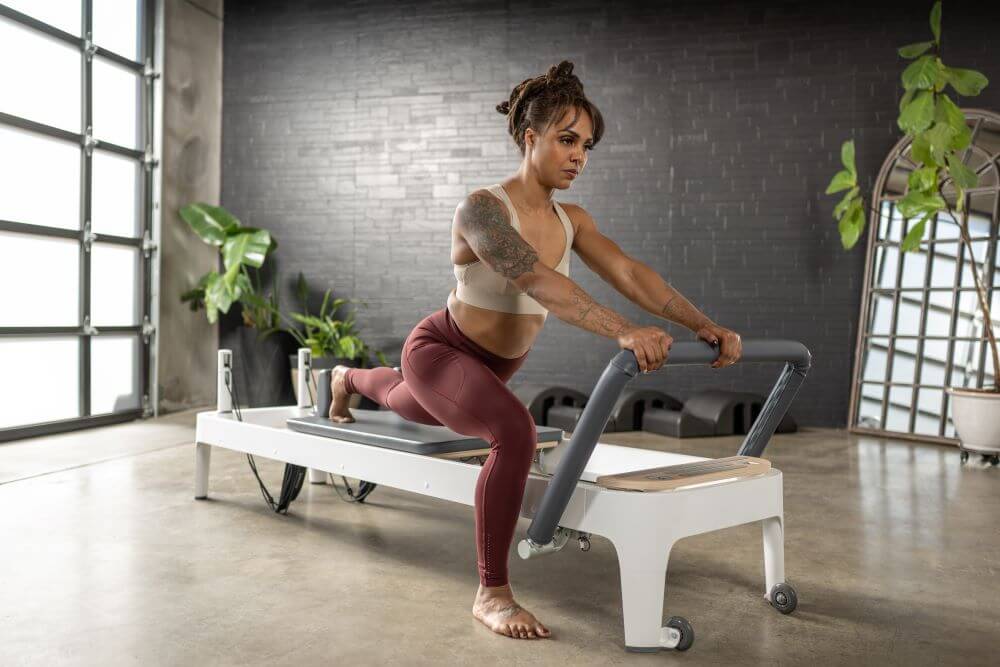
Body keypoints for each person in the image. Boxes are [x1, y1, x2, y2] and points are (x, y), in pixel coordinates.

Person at [326, 60, 743, 641]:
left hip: (488, 368)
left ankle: (346, 379)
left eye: (587, 145)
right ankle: (491, 593)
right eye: (567, 140)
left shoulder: (572, 220)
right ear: (531, 138)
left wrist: (706, 325)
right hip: (441, 349)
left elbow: (629, 272)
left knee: (404, 400)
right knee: (512, 432)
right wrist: (623, 330)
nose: (579, 156)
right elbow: (537, 281)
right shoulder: (483, 209)